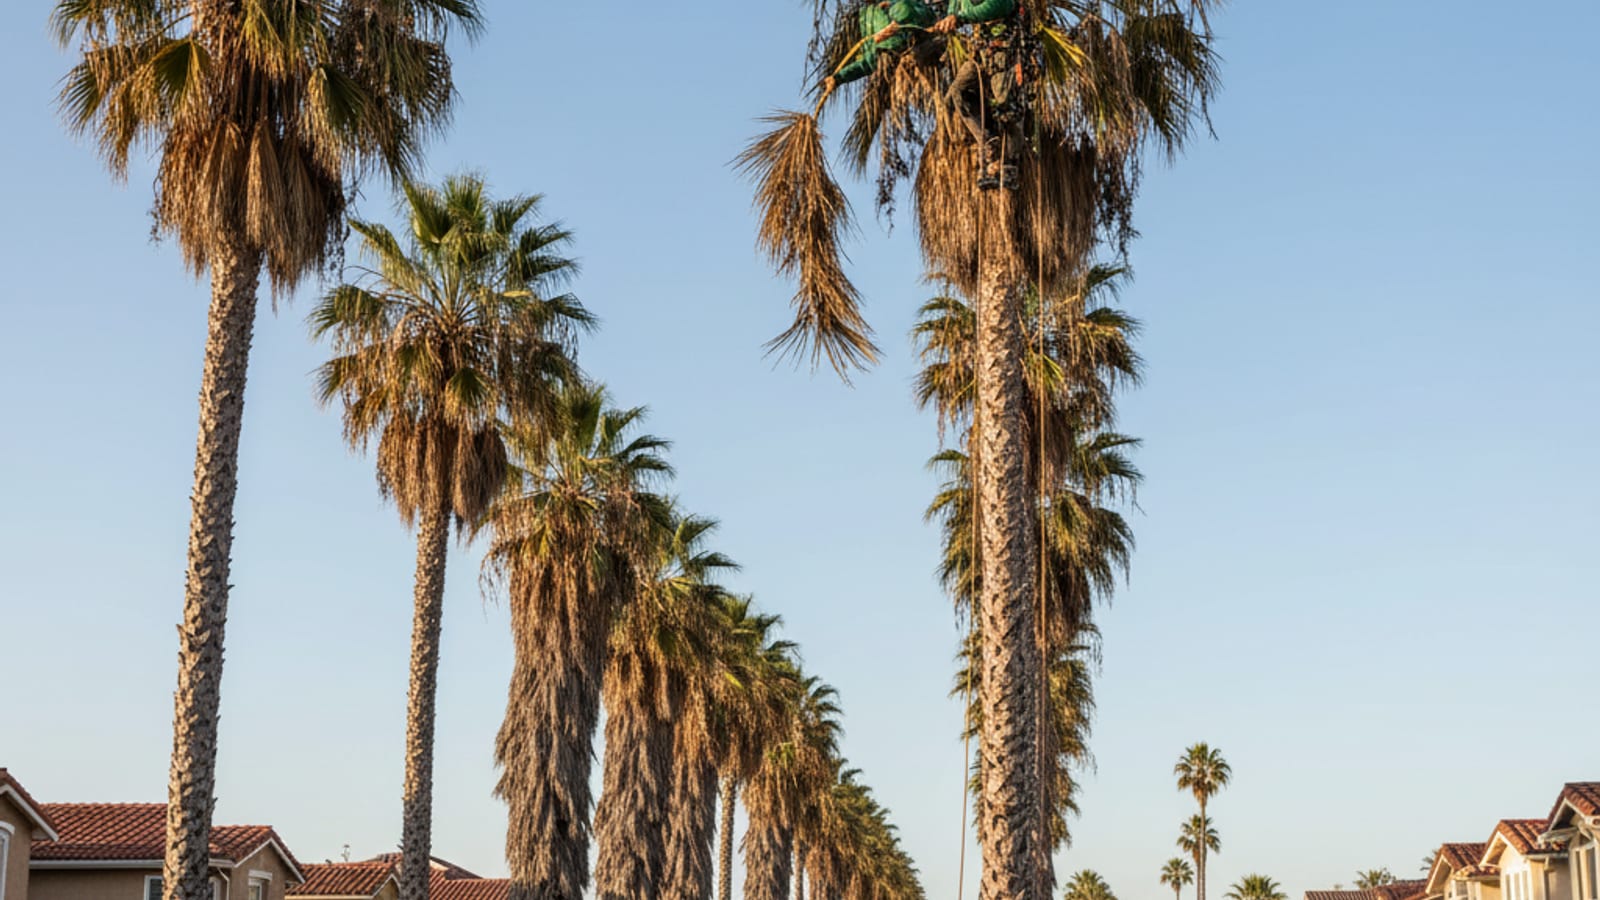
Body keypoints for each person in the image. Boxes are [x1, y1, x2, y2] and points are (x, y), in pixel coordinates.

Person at [933, 0, 1024, 190]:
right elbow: (954, 10)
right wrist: (946, 21)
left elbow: (999, 5)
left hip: (1005, 49)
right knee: (958, 91)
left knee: (1005, 103)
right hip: (980, 52)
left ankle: (1009, 164)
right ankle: (988, 141)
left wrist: (960, 18)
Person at [822, 0, 941, 93]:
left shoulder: (897, 6)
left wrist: (896, 21)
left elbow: (919, 12)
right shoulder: (866, 16)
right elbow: (869, 62)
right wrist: (838, 78)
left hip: (922, 45)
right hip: (893, 59)